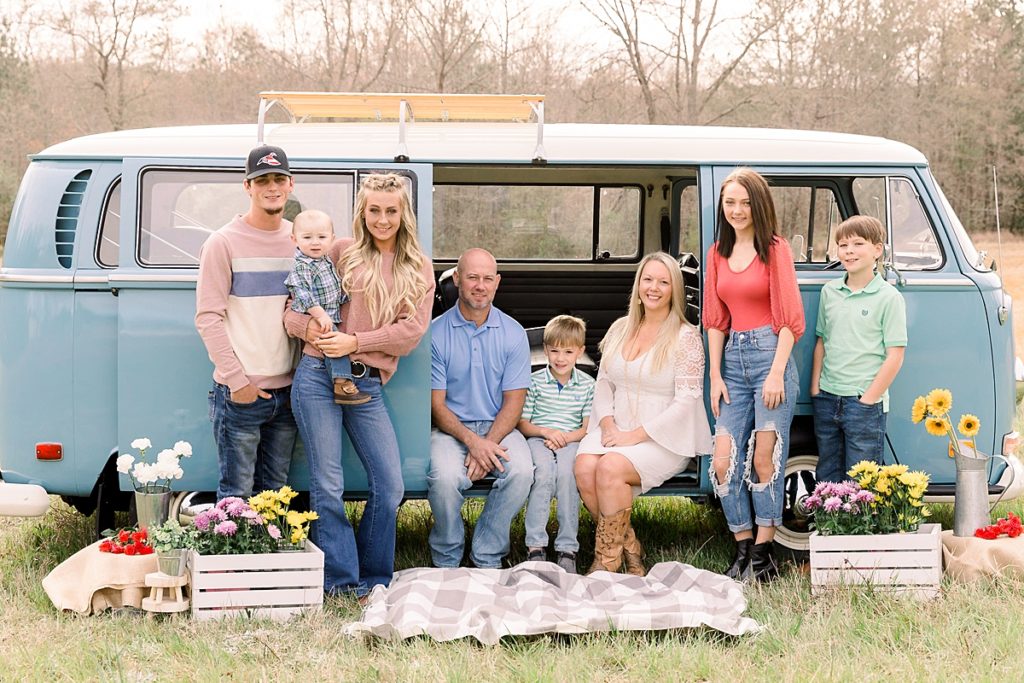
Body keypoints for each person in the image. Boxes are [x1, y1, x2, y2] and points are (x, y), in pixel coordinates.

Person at [284, 173, 433, 597]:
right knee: (327, 482)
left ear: (404, 213)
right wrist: (317, 336)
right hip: (316, 376)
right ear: (361, 212)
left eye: (391, 211)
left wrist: (356, 342)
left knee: (390, 486)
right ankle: (342, 580)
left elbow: (411, 332)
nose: (382, 220)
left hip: (366, 385)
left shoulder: (417, 266)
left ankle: (375, 577)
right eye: (374, 211)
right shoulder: (338, 252)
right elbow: (291, 311)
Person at [575, 252, 712, 576]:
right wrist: (607, 424)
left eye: (663, 282)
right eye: (648, 280)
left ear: (674, 290)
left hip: (663, 437)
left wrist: (632, 436)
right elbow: (605, 382)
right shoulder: (622, 328)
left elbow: (686, 402)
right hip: (617, 426)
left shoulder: (685, 337)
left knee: (609, 468)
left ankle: (606, 562)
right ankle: (631, 546)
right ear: (638, 286)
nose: (654, 288)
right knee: (584, 469)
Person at [703, 167, 804, 583]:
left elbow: (789, 318)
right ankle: (742, 546)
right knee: (723, 461)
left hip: (770, 357)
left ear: (758, 205)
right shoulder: (717, 252)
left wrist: (777, 372)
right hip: (732, 362)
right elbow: (715, 319)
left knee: (765, 458)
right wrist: (715, 375)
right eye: (730, 202)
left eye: (745, 202)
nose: (737, 210)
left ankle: (763, 555)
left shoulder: (774, 248)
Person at [195, 144, 299, 500]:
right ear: (248, 187)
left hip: (287, 394)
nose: (272, 187)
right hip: (240, 394)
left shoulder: (299, 242)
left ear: (290, 184)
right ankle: (233, 559)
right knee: (236, 494)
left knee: (275, 494)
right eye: (262, 180)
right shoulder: (222, 243)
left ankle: (270, 557)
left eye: (278, 179)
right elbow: (208, 318)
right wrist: (238, 383)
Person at [428, 248, 534, 569]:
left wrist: (485, 442)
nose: (480, 285)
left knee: (521, 472)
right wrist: (474, 444)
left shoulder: (514, 333)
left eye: (488, 278)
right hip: (450, 429)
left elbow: (514, 403)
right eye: (472, 277)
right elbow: (436, 405)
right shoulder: (435, 333)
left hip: (499, 426)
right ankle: (446, 557)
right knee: (444, 477)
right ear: (457, 279)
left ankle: (487, 554)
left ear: (497, 283)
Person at [810, 215, 907, 483]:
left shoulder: (889, 297)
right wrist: (815, 389)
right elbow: (821, 342)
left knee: (862, 480)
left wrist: (868, 399)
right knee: (827, 474)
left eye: (857, 243)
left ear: (877, 249)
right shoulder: (830, 292)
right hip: (828, 397)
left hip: (863, 402)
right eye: (842, 245)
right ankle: (830, 526)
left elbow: (895, 355)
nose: (849, 251)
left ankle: (860, 527)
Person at [518, 315, 596, 573]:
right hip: (539, 438)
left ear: (580, 352)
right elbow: (524, 423)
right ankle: (536, 546)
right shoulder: (535, 382)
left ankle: (567, 547)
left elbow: (586, 428)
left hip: (572, 440)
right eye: (554, 351)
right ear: (545, 350)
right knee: (542, 475)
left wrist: (564, 438)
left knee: (567, 475)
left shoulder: (587, 385)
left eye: (568, 351)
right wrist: (547, 432)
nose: (560, 358)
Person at [284, 209, 369, 405]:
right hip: (315, 314)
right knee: (333, 344)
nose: (315, 242)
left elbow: (332, 284)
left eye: (321, 237)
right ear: (294, 239)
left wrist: (344, 296)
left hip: (329, 311)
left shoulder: (325, 260)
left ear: (332, 238)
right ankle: (341, 382)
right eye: (307, 237)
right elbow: (302, 293)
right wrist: (319, 314)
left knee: (333, 341)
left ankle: (340, 379)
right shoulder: (302, 265)